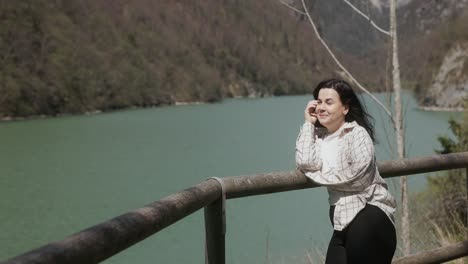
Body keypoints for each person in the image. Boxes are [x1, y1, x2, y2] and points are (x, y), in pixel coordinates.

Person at [295, 78, 397, 264]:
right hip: (342, 223)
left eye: (329, 102)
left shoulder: (357, 134)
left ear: (345, 108)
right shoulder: (318, 138)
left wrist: (319, 176)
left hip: (369, 215)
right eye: (318, 101)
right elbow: (304, 162)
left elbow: (358, 178)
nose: (321, 107)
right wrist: (309, 123)